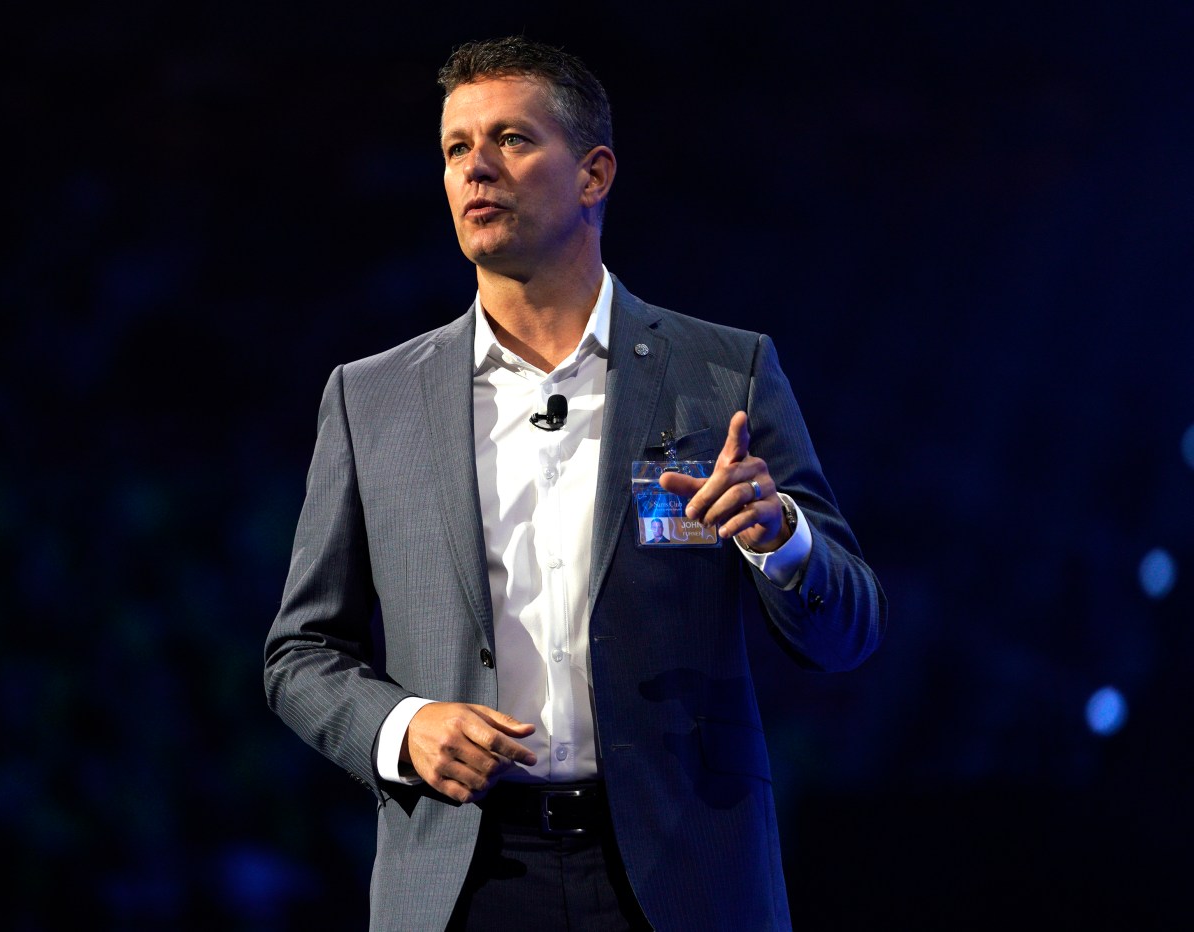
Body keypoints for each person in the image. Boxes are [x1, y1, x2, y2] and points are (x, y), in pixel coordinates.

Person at [265, 36, 886, 931]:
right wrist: (402, 729)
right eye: (455, 148)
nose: (477, 166)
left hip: (682, 876)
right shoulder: (372, 398)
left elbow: (849, 630)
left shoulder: (723, 373)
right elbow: (299, 654)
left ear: (593, 175)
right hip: (464, 879)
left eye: (511, 139)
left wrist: (782, 538)